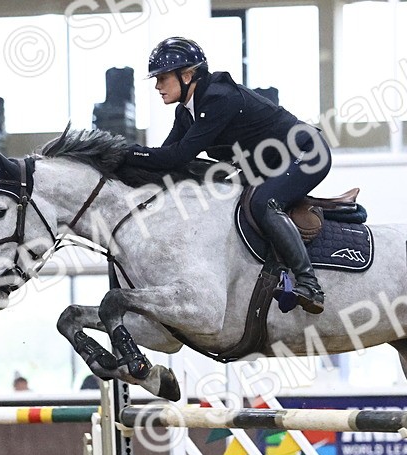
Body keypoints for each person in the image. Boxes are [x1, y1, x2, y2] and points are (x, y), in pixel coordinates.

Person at [126, 36, 330, 314]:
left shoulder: (219, 99)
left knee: (262, 203)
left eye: (162, 78)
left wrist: (125, 152)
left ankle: (309, 284)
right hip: (269, 164)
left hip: (308, 152)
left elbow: (178, 156)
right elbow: (166, 160)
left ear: (187, 75)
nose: (158, 86)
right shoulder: (186, 112)